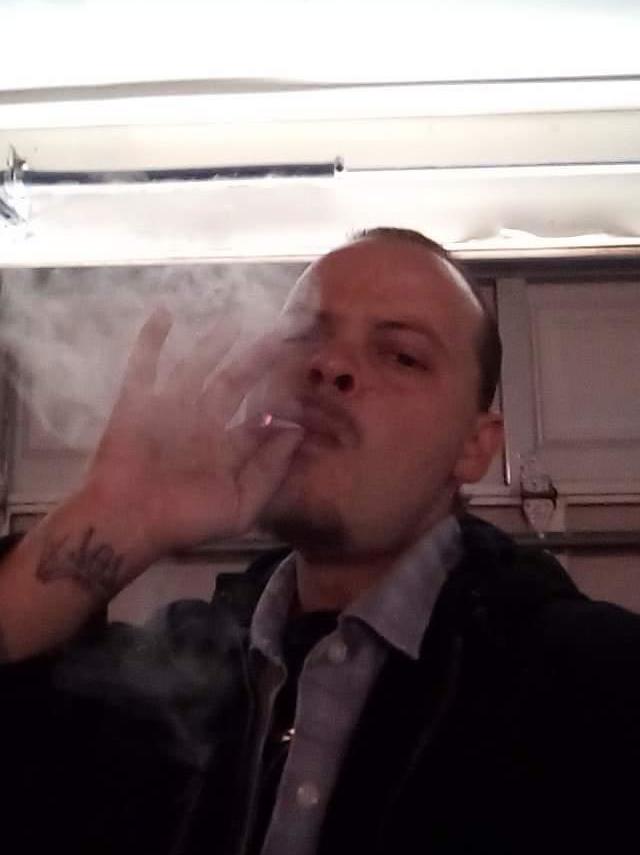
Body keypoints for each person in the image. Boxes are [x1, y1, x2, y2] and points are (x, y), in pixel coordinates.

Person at [0, 228, 638, 855]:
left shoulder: (596, 687)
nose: (328, 365)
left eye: (402, 356)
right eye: (304, 336)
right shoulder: (168, 682)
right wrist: (116, 518)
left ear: (475, 445)